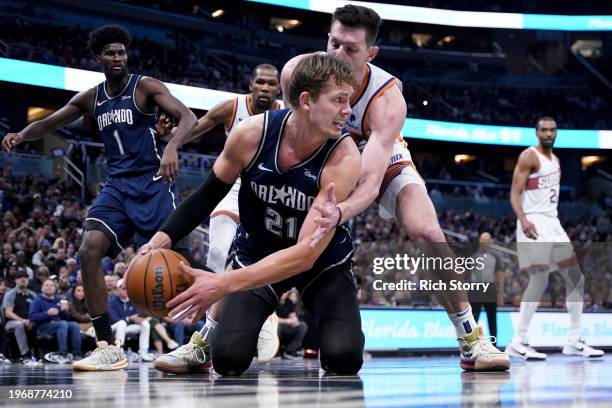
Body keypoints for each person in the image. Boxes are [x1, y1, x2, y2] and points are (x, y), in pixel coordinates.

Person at [280, 4, 508, 371]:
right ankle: (216, 332)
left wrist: (339, 213)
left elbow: (369, 182)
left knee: (428, 230)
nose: (337, 55)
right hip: (321, 157)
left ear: (371, 54)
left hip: (377, 159)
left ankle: (470, 339)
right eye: (333, 43)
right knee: (265, 217)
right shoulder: (297, 72)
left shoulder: (387, 98)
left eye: (350, 50)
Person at [129, 53, 364, 376]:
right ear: (307, 100)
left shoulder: (344, 156)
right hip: (258, 252)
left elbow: (304, 256)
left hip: (320, 264)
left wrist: (222, 283)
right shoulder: (251, 134)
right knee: (228, 360)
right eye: (339, 100)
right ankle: (239, 324)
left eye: (348, 101)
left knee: (344, 358)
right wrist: (159, 240)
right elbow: (208, 194)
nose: (348, 111)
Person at [2, 25, 196, 371]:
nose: (117, 58)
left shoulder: (146, 86)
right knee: (88, 249)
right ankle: (107, 345)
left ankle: (206, 336)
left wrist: (172, 146)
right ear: (98, 59)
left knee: (181, 268)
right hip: (117, 186)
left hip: (153, 182)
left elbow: (188, 117)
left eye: (121, 52)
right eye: (110, 53)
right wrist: (20, 135)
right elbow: (49, 123)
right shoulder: (92, 98)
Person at [155, 64, 284, 369]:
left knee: (256, 258)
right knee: (216, 253)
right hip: (235, 184)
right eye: (260, 83)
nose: (265, 88)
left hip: (270, 191)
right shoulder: (232, 107)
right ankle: (210, 340)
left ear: (278, 89)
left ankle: (264, 313)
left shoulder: (287, 113)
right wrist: (170, 138)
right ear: (251, 85)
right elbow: (194, 129)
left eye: (271, 84)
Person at [505, 116, 604, 359]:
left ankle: (573, 340)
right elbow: (515, 194)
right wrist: (524, 219)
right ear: (537, 133)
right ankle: (518, 341)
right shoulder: (528, 156)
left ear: (556, 133)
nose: (549, 134)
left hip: (553, 222)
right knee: (538, 279)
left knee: (576, 279)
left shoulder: (556, 160)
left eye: (552, 130)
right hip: (533, 219)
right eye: (544, 130)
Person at [29, 279, 83, 363]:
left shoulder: (59, 299)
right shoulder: (37, 300)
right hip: (43, 326)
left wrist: (65, 312)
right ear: (42, 288)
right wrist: (47, 314)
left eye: (51, 285)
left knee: (74, 325)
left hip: (58, 325)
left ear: (55, 288)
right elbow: (32, 317)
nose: (49, 287)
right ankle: (62, 353)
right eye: (46, 285)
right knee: (63, 324)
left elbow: (64, 317)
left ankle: (77, 354)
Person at [468, 233, 504, 342]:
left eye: (487, 240)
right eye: (483, 239)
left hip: (490, 289)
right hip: (475, 289)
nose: (484, 242)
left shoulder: (496, 258)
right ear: (480, 241)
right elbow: (465, 274)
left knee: (492, 320)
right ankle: (471, 346)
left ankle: (494, 346)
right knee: (473, 320)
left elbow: (500, 275)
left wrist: (501, 294)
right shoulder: (472, 257)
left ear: (490, 241)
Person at [108, 279, 155, 362]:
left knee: (145, 324)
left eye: (127, 288)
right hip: (114, 327)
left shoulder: (133, 300)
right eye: (122, 288)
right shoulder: (112, 301)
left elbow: (138, 314)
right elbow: (113, 318)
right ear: (118, 289)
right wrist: (129, 318)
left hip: (127, 327)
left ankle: (144, 353)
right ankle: (119, 352)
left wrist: (139, 319)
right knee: (121, 323)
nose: (125, 290)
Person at [2, 270, 38, 364]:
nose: (23, 279)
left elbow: (37, 311)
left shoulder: (33, 295)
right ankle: (25, 355)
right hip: (11, 322)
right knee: (19, 325)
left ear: (28, 280)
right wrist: (23, 320)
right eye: (20, 278)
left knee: (38, 323)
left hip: (29, 320)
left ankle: (39, 355)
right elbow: (8, 313)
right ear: (15, 280)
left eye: (25, 277)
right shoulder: (11, 294)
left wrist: (30, 321)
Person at [277, 288, 308, 359]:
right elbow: (273, 319)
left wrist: (295, 321)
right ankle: (275, 352)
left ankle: (290, 350)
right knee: (277, 326)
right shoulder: (274, 302)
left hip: (286, 327)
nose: (284, 293)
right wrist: (288, 321)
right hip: (275, 326)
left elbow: (293, 316)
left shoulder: (289, 302)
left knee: (302, 325)